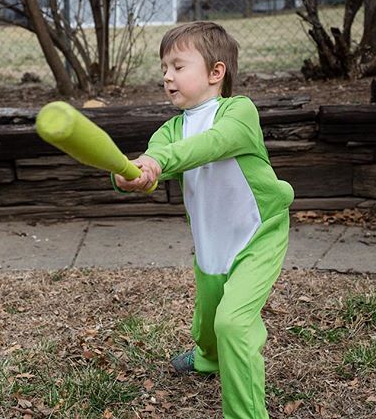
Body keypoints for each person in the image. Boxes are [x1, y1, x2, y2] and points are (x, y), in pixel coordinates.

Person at [113, 21, 294, 419]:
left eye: (178, 66)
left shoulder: (238, 111)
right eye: (164, 68)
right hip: (212, 243)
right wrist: (131, 175)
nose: (167, 76)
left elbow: (211, 145)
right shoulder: (170, 131)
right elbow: (149, 167)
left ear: (216, 73)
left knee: (233, 322)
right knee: (210, 317)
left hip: (258, 234)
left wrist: (159, 160)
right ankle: (207, 358)